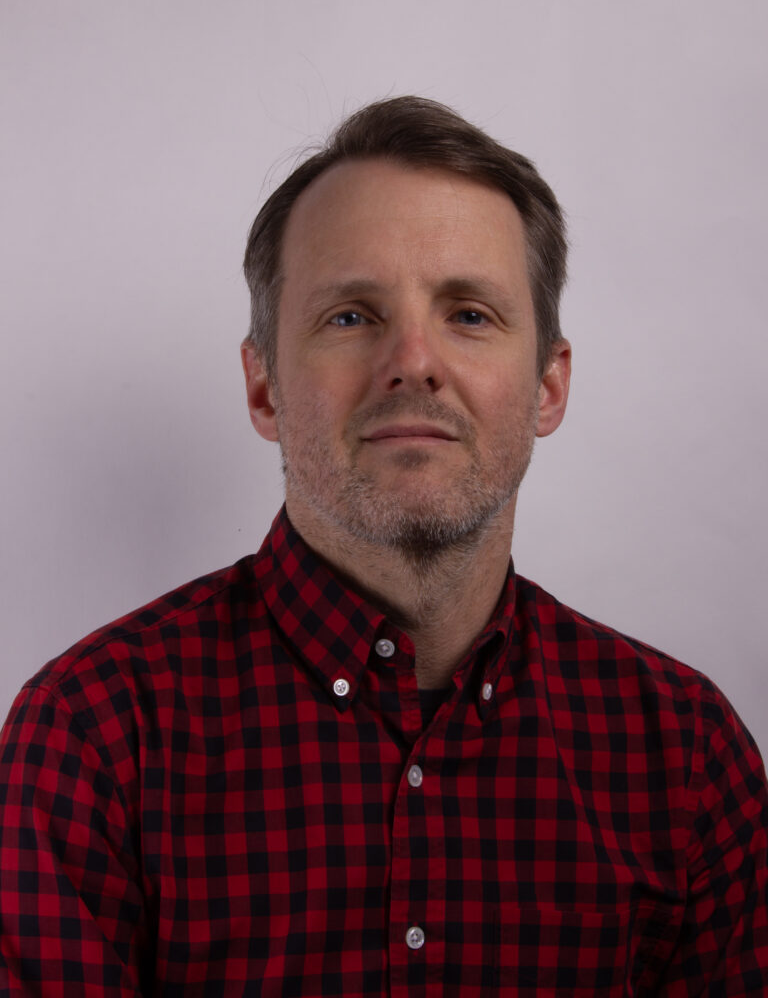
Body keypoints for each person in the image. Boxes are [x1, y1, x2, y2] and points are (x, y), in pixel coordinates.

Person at [0, 96, 766, 996]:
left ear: (549, 387)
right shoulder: (92, 736)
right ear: (264, 388)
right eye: (352, 316)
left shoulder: (680, 753)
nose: (413, 360)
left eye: (470, 314)